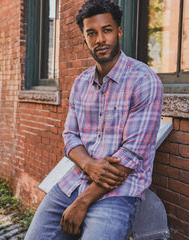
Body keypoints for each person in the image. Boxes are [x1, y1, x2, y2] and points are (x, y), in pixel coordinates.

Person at [25, 0, 163, 239]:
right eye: (92, 33)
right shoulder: (80, 83)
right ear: (84, 38)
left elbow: (129, 158)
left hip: (118, 192)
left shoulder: (144, 81)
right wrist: (89, 165)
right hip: (74, 181)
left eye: (107, 30)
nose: (100, 39)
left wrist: (82, 203)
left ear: (119, 31)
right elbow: (70, 136)